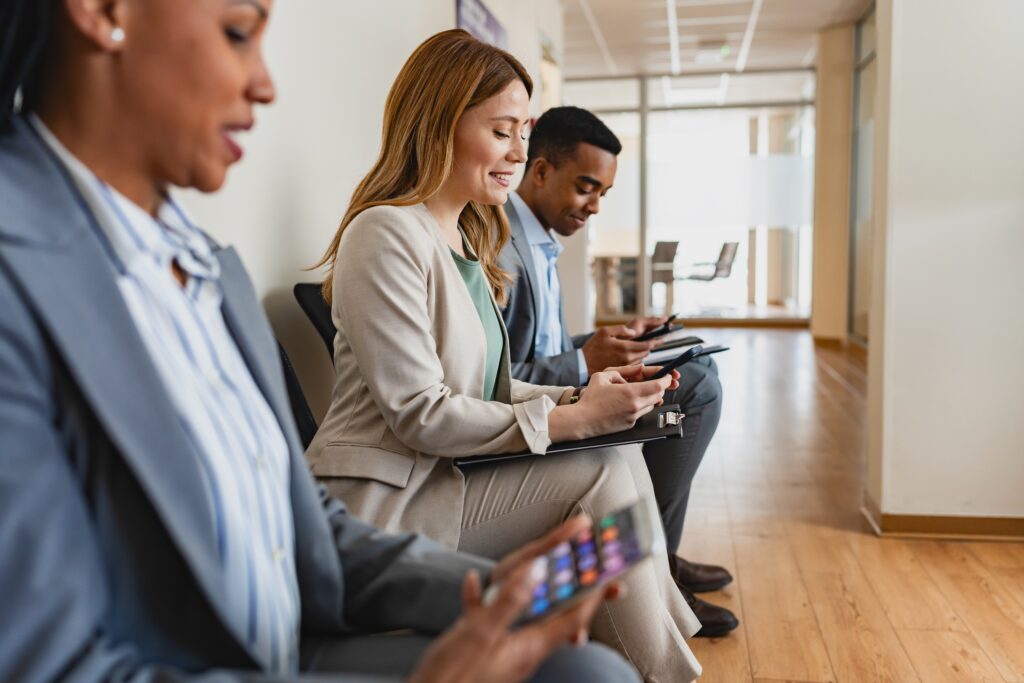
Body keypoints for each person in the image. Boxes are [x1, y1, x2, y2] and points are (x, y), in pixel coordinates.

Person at [0, 2, 639, 681]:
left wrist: (486, 587)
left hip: (294, 631)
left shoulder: (209, 267)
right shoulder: (23, 276)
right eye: (238, 33)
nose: (265, 84)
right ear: (102, 12)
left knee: (586, 663)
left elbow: (305, 533)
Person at [308, 29, 702, 682]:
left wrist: (584, 396)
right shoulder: (384, 233)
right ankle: (653, 663)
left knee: (619, 446)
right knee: (599, 471)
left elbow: (487, 387)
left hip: (444, 477)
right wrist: (571, 418)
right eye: (502, 131)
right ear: (440, 124)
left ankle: (630, 648)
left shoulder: (460, 236)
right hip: (388, 501)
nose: (520, 152)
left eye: (524, 131)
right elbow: (420, 413)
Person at [498, 106, 738, 637]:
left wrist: (615, 341)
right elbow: (498, 376)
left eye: (603, 193)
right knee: (695, 387)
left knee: (693, 367)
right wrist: (584, 360)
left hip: (559, 388)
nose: (595, 206)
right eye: (587, 187)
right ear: (539, 171)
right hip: (535, 413)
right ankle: (659, 565)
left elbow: (547, 346)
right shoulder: (503, 248)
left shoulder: (537, 241)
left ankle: (659, 557)